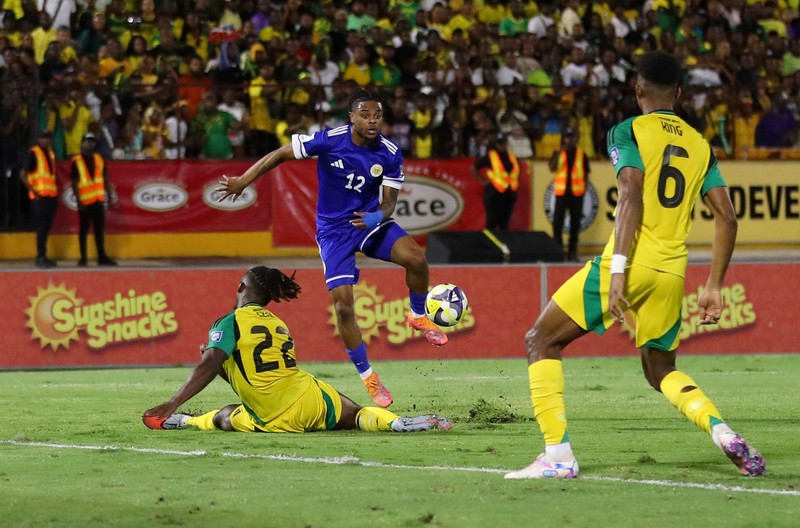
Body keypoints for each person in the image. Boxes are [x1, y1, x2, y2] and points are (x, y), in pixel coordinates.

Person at [505, 51, 766, 480]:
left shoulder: (627, 130)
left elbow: (630, 191)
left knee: (541, 341)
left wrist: (620, 269)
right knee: (660, 368)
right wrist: (714, 284)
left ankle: (557, 456)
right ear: (679, 93)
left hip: (629, 261)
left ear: (638, 89)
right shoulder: (701, 145)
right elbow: (728, 216)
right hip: (672, 270)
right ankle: (721, 431)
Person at [216, 89, 448, 409]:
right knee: (343, 309)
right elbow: (282, 153)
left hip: (368, 222)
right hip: (334, 232)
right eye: (365, 115)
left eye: (377, 115)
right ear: (351, 117)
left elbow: (391, 202)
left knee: (417, 259)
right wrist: (244, 179)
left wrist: (376, 217)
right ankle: (369, 378)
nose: (372, 121)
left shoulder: (390, 153)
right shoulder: (330, 139)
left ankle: (418, 315)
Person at [142, 266, 452, 434]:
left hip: (270, 416)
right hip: (308, 396)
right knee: (355, 415)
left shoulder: (231, 321)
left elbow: (210, 367)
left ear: (240, 288)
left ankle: (182, 419)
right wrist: (225, 370)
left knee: (225, 417)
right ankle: (396, 423)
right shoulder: (278, 324)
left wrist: (172, 401)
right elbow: (263, 372)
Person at [70, 133, 117, 267]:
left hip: (98, 200)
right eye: (87, 141)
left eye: (92, 141)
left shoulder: (99, 159)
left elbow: (105, 178)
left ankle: (102, 256)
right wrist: (78, 201)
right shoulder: (76, 161)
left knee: (99, 230)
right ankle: (83, 258)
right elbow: (74, 182)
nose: (90, 144)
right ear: (82, 143)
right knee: (83, 230)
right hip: (85, 201)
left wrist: (110, 195)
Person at [548, 126, 590, 262]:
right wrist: (560, 153)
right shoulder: (558, 152)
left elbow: (586, 174)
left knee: (575, 225)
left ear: (575, 139)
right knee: (557, 223)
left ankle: (572, 252)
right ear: (563, 138)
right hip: (562, 193)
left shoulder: (581, 154)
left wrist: (583, 190)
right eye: (567, 137)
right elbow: (552, 167)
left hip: (577, 193)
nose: (569, 140)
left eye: (571, 137)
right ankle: (558, 251)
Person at [21, 131, 59, 268]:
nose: (46, 140)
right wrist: (33, 192)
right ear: (38, 139)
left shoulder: (50, 154)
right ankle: (40, 256)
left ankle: (44, 255)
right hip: (40, 197)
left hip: (51, 196)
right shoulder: (34, 153)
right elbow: (23, 174)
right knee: (42, 227)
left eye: (48, 138)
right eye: (44, 138)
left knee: (47, 227)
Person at [471, 133, 520, 231]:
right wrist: (482, 180)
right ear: (496, 144)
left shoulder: (512, 157)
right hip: (493, 194)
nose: (501, 146)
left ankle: (502, 245)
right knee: (491, 223)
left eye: (503, 143)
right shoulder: (491, 156)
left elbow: (516, 173)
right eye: (499, 143)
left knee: (504, 224)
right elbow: (474, 167)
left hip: (509, 195)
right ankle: (489, 245)